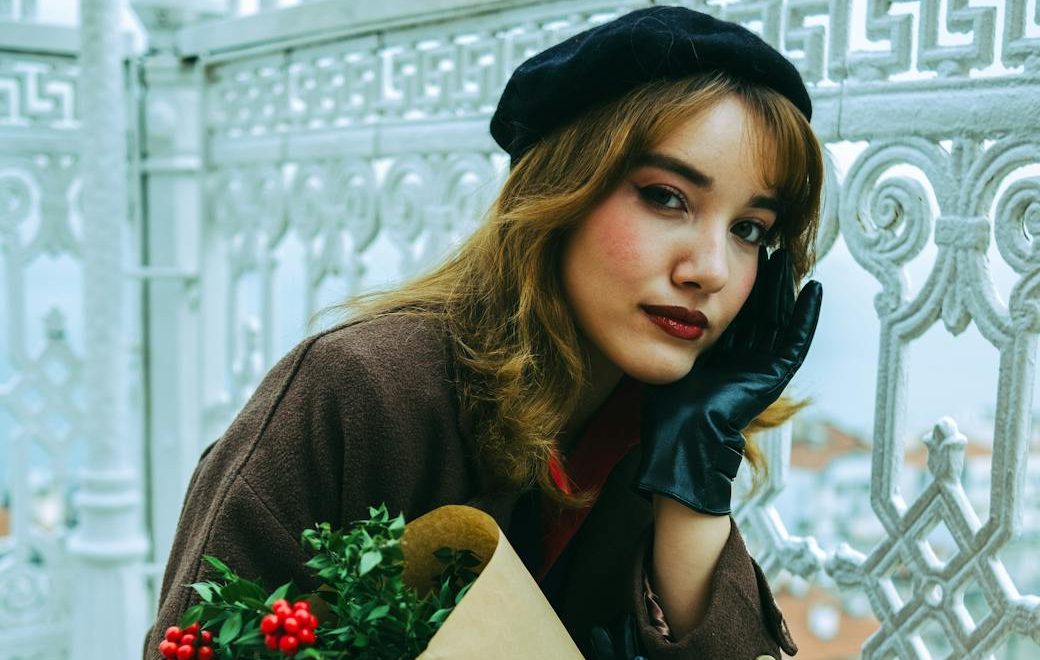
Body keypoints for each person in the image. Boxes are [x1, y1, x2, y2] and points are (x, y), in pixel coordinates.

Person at [146, 5, 824, 659]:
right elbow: (197, 642)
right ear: (560, 191)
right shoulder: (360, 391)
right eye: (666, 197)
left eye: (749, 229)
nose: (709, 269)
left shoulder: (659, 431)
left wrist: (693, 481)